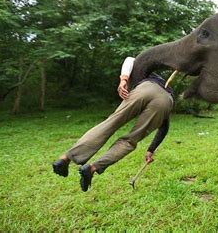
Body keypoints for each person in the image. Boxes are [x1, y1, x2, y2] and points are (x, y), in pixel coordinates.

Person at [52, 57, 174, 192]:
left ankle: (65, 158)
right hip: (166, 100)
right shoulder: (159, 80)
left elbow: (130, 59)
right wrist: (151, 150)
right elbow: (164, 127)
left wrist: (123, 80)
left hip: (145, 88)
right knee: (130, 141)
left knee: (109, 124)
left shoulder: (141, 72)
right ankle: (92, 168)